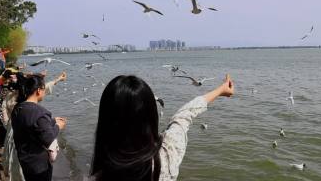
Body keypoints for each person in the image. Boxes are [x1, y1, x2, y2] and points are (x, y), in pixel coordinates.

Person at [90, 74, 234, 181]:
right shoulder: (166, 156)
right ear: (152, 116)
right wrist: (221, 90)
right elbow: (183, 116)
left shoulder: (97, 176)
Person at [11, 74, 67, 181]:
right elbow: (48, 139)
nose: (45, 92)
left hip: (25, 160)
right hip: (39, 166)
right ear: (38, 91)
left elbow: (31, 125)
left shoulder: (18, 108)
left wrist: (52, 121)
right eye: (44, 89)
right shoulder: (40, 112)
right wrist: (58, 126)